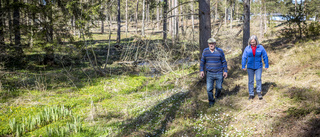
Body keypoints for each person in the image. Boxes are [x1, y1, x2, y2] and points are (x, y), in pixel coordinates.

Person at [200, 38, 228, 107]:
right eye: (210, 44)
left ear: (215, 44)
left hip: (219, 73)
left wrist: (225, 71)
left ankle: (217, 97)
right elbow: (202, 61)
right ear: (208, 44)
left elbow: (224, 62)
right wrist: (201, 70)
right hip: (209, 73)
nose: (211, 45)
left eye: (213, 43)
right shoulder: (205, 51)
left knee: (219, 87)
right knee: (209, 89)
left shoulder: (220, 51)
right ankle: (211, 102)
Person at [241, 35, 269, 100]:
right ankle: (251, 94)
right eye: (251, 42)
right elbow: (244, 57)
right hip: (250, 67)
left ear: (256, 41)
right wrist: (243, 65)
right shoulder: (247, 48)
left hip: (258, 66)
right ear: (249, 42)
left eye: (254, 42)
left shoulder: (260, 47)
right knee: (251, 81)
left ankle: (259, 92)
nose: (252, 43)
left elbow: (265, 56)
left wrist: (266, 65)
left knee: (258, 79)